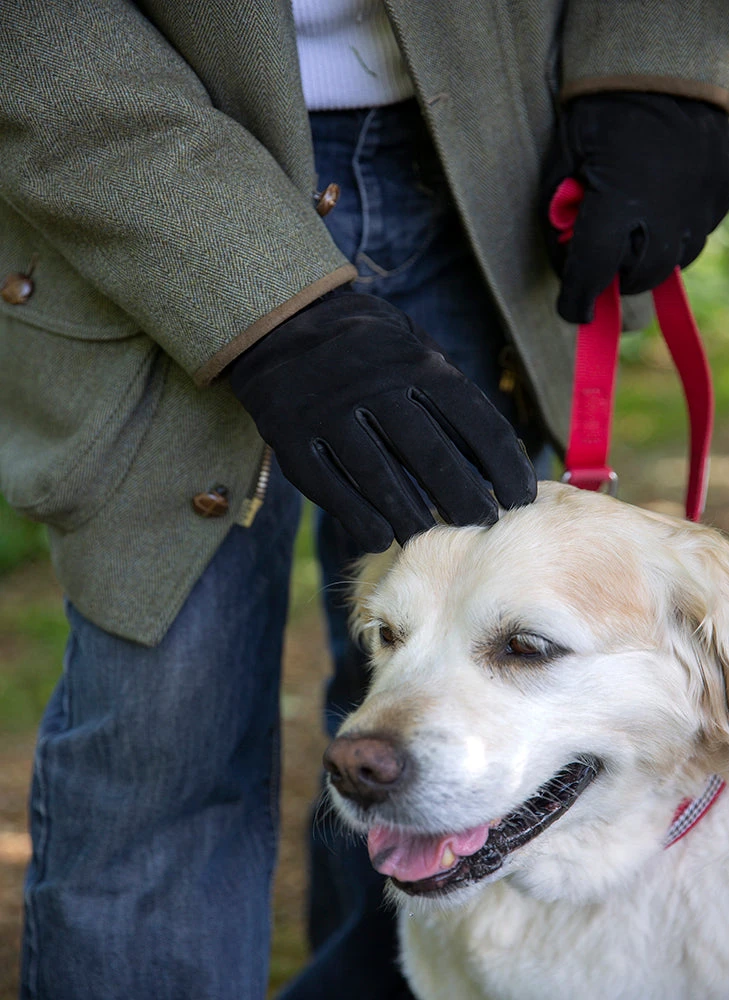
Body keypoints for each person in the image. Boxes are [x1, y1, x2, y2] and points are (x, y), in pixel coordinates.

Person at [1, 3, 727, 999]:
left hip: (492, 180)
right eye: (388, 637)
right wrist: (267, 305)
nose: (366, 744)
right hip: (148, 183)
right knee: (163, 736)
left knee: (431, 795)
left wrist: (657, 67)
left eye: (526, 647)